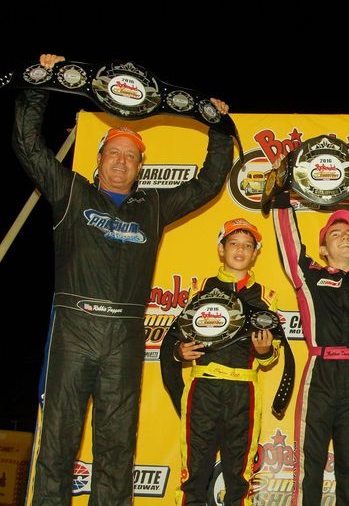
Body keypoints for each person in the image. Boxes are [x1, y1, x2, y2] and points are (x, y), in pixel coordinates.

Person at [14, 53, 233, 505]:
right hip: (74, 330)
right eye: (113, 154)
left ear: (139, 168)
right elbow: (28, 146)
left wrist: (218, 127)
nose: (120, 163)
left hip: (124, 338)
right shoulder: (71, 191)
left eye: (130, 158)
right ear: (99, 160)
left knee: (117, 449)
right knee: (57, 444)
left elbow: (209, 183)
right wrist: (41, 84)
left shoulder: (152, 207)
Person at [272, 188, 349, 505]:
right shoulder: (310, 275)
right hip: (319, 375)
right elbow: (289, 245)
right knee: (309, 467)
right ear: (323, 249)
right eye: (335, 233)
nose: (345, 237)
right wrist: (282, 198)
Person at [161, 218, 279, 505]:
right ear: (221, 248)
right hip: (203, 387)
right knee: (194, 472)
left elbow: (272, 352)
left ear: (255, 253)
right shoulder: (199, 290)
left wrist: (264, 351)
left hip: (244, 393)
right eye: (234, 244)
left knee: (239, 477)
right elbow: (173, 339)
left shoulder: (266, 297)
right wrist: (179, 351)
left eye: (247, 246)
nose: (240, 250)